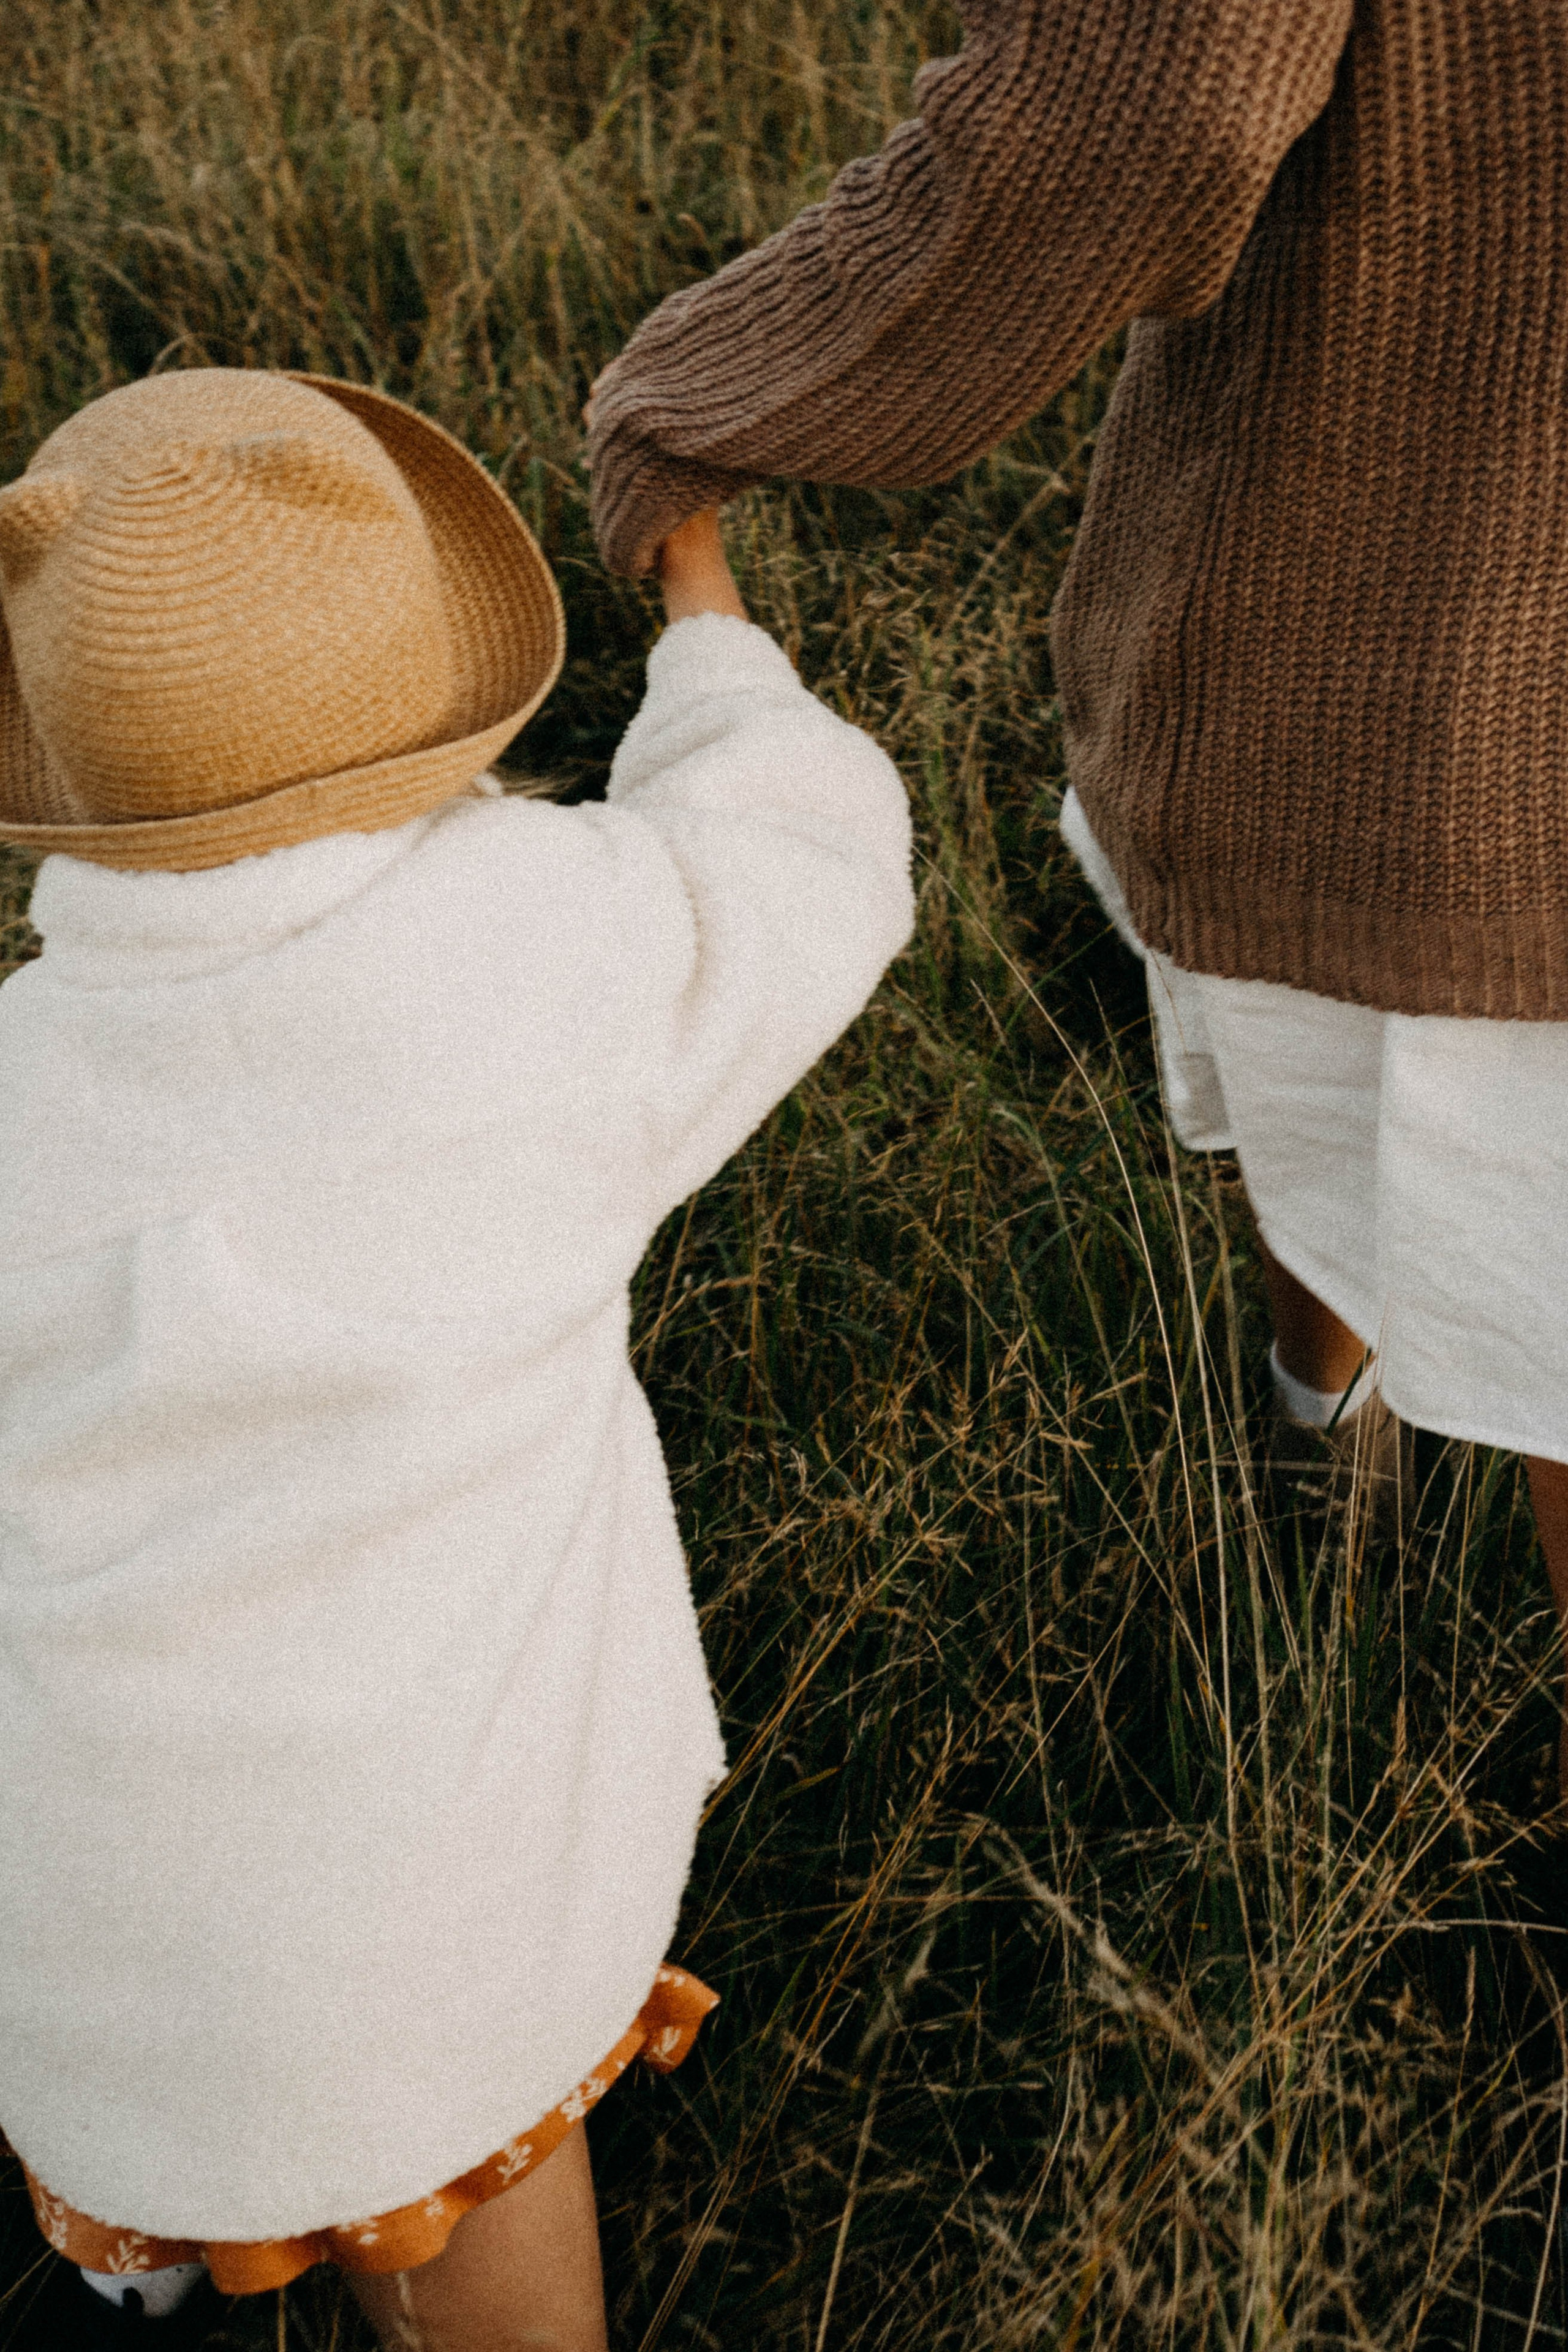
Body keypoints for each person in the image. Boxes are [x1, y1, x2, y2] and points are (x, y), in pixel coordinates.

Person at [0, 369, 913, 2348]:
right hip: (422, 1906)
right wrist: (704, 613)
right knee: (459, 2174)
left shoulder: (20, 1097)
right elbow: (806, 863)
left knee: (169, 2131)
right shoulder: (551, 967)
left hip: (88, 1907)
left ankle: (149, 2262)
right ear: (429, 678)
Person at [586, 0, 1568, 1779]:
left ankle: (1314, 1448)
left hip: (1456, 641)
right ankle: (1317, 1438)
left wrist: (712, 382)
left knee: (1424, 1050)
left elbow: (1145, 113)